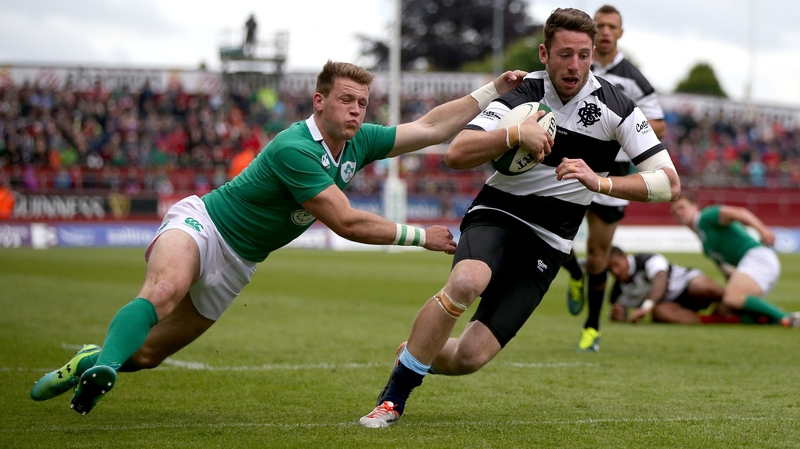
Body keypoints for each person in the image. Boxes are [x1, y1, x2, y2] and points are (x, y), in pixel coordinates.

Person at [29, 61, 529, 415]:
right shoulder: (296, 147)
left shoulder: (359, 141)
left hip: (240, 264)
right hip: (203, 226)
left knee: (148, 354)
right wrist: (420, 236)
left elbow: (429, 127)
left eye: (362, 103)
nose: (357, 111)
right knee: (162, 292)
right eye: (345, 101)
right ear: (319, 101)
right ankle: (104, 371)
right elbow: (346, 222)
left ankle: (91, 361)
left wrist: (491, 92)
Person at [358, 8, 681, 428]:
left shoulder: (617, 107)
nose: (575, 65)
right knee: (467, 282)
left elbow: (668, 182)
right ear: (545, 53)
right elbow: (457, 153)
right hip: (499, 211)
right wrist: (515, 133)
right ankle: (393, 399)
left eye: (584, 55)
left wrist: (599, 184)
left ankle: (414, 351)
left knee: (470, 357)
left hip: (551, 239)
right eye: (565, 54)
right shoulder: (523, 91)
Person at [561, 4, 668, 352]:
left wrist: (619, 129)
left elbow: (660, 126)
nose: (605, 32)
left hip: (614, 174)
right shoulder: (573, 65)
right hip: (570, 164)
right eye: (600, 26)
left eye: (612, 27)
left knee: (597, 254)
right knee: (550, 232)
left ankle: (591, 326)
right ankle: (574, 276)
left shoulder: (634, 80)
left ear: (620, 33)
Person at [669, 193, 799, 328]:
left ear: (695, 207)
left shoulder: (707, 216)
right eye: (674, 212)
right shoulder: (705, 244)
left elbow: (740, 213)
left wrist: (762, 230)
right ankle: (771, 319)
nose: (679, 213)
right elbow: (727, 271)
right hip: (750, 264)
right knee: (726, 308)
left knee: (733, 298)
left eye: (681, 208)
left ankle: (787, 318)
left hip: (757, 258)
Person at [606, 246, 756, 324]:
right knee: (660, 314)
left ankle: (756, 308)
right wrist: (619, 315)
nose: (615, 271)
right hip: (671, 304)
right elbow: (621, 312)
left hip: (686, 284)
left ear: (624, 257)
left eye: (617, 265)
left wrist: (646, 306)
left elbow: (661, 280)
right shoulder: (617, 292)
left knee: (702, 286)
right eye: (610, 269)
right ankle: (722, 320)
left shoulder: (646, 259)